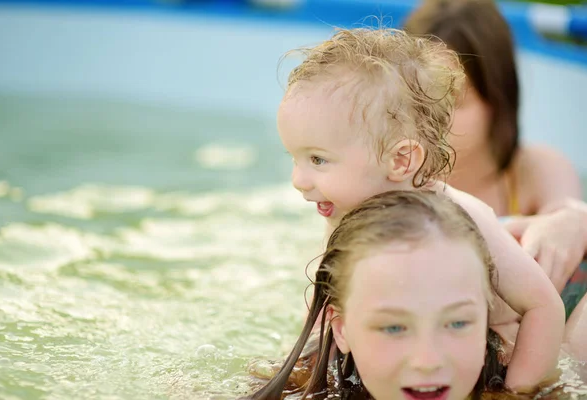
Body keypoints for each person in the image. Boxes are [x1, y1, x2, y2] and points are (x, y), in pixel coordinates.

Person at [275, 26, 567, 391]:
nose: (298, 180)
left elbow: (544, 308)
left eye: (318, 159)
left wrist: (518, 390)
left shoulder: (462, 218)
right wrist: (298, 364)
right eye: (296, 158)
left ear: (401, 159)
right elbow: (330, 297)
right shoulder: (342, 211)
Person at [246, 190, 556, 400]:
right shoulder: (298, 385)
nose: (428, 361)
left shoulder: (523, 387)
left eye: (458, 323)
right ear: (341, 330)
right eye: (394, 328)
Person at [403, 0, 587, 325]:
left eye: (452, 102)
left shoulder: (531, 170)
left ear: (497, 97)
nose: (429, 119)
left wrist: (570, 219)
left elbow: (568, 212)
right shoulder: (394, 174)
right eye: (416, 99)